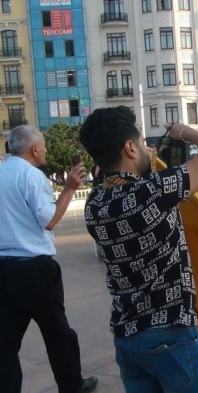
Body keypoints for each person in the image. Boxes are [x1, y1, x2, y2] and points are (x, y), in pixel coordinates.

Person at [79, 106, 198, 393]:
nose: (149, 149)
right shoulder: (153, 191)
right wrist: (182, 132)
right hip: (172, 335)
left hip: (127, 340)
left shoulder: (95, 204)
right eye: (142, 144)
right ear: (129, 148)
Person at [0, 126, 98, 393]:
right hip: (34, 268)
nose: (44, 149)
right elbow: (49, 220)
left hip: (3, 267)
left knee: (5, 341)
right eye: (42, 145)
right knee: (58, 333)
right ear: (34, 149)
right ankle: (72, 385)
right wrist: (69, 189)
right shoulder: (31, 176)